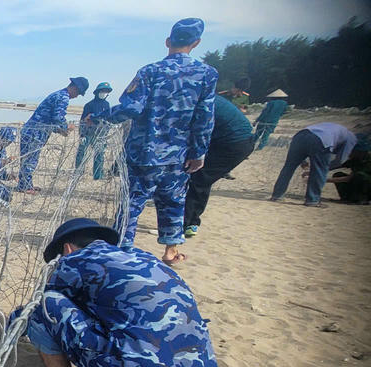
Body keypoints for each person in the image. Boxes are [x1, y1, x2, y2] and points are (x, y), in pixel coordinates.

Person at [9, 218, 217, 367]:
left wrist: (11, 324)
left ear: (67, 249)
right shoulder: (145, 258)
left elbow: (38, 310)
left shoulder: (75, 260)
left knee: (47, 302)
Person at [107, 17, 217, 266]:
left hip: (143, 153)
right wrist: (199, 153)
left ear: (168, 41)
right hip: (179, 155)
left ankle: (122, 249)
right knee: (173, 201)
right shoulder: (206, 74)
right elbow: (205, 117)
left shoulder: (150, 71)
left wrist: (107, 116)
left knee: (132, 202)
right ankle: (170, 250)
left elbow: (131, 107)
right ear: (196, 43)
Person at [183, 94, 255, 236]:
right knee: (201, 179)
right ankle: (190, 223)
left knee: (198, 179)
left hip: (233, 143)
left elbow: (200, 133)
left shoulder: (198, 101)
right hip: (236, 141)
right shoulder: (205, 95)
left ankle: (183, 226)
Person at [17, 76, 87, 193]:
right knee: (30, 159)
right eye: (78, 93)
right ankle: (24, 186)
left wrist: (59, 130)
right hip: (35, 133)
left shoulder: (57, 94)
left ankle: (25, 184)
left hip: (32, 130)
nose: (77, 96)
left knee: (27, 158)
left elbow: (49, 120)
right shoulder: (63, 97)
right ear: (74, 88)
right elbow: (58, 118)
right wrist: (66, 127)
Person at [269, 122, 359, 207]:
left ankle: (277, 195)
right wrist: (325, 167)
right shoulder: (352, 138)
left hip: (300, 135)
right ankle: (312, 200)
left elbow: (300, 155)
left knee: (288, 167)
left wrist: (304, 164)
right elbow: (340, 160)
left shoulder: (337, 129)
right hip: (321, 139)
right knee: (319, 171)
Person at [75, 82, 113, 180]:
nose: (104, 93)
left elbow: (108, 120)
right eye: (102, 91)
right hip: (88, 133)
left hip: (101, 134)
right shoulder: (89, 105)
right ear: (97, 92)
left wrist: (106, 133)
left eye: (106, 91)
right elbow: (83, 120)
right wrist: (82, 134)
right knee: (81, 153)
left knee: (99, 154)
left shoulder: (107, 105)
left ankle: (97, 175)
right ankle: (78, 172)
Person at [329, 136, 371, 204]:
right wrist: (316, 170)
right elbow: (335, 166)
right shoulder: (356, 159)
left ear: (360, 152)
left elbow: (348, 179)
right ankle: (347, 198)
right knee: (338, 174)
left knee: (360, 176)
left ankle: (362, 199)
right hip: (356, 184)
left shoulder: (368, 162)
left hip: (368, 189)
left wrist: (323, 180)